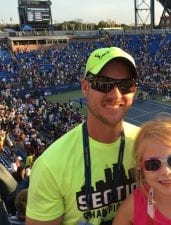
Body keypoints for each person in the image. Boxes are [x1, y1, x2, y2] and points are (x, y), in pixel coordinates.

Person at [26, 47, 140, 225]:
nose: (116, 94)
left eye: (126, 85)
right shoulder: (50, 166)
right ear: (85, 87)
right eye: (104, 83)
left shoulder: (148, 146)